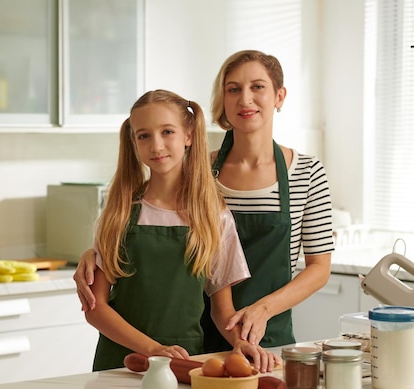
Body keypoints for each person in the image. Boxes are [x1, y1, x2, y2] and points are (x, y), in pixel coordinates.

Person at [75, 50, 334, 353]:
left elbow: (319, 267)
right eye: (233, 89)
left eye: (257, 87)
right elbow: (148, 215)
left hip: (258, 331)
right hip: (194, 337)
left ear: (279, 96)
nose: (245, 99)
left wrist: (262, 311)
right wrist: (94, 253)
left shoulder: (306, 172)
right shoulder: (198, 174)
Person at [83, 89, 277, 372]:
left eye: (167, 132)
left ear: (188, 136)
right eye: (144, 135)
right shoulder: (119, 213)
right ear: (134, 143)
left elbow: (222, 311)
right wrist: (153, 350)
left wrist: (240, 342)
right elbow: (95, 309)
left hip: (185, 363)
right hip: (119, 365)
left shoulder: (212, 216)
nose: (156, 145)